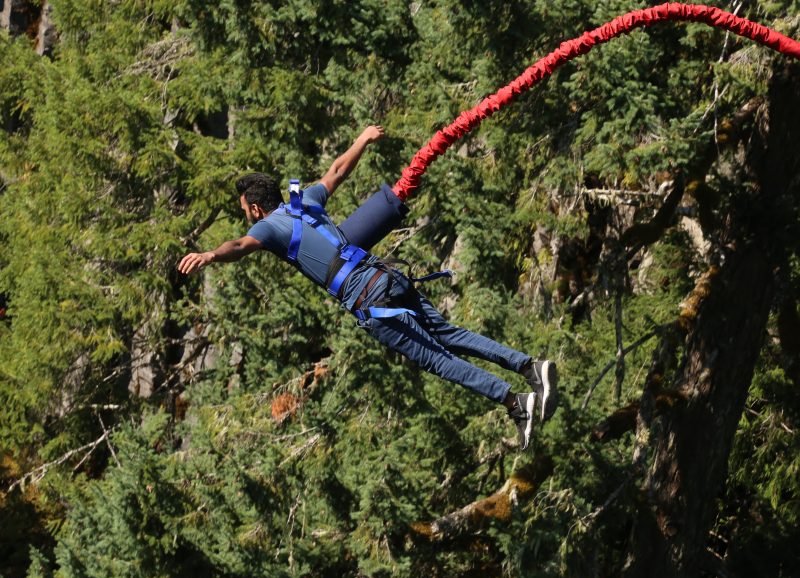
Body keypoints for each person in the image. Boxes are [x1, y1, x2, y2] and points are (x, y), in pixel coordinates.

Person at [178, 125, 559, 449]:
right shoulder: (303, 201)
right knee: (449, 334)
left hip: (367, 297)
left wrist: (211, 255)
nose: (247, 218)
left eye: (245, 211)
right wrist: (361, 140)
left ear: (256, 210)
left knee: (437, 359)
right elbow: (337, 171)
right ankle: (529, 367)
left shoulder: (267, 227)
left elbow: (240, 246)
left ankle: (515, 403)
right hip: (386, 276)